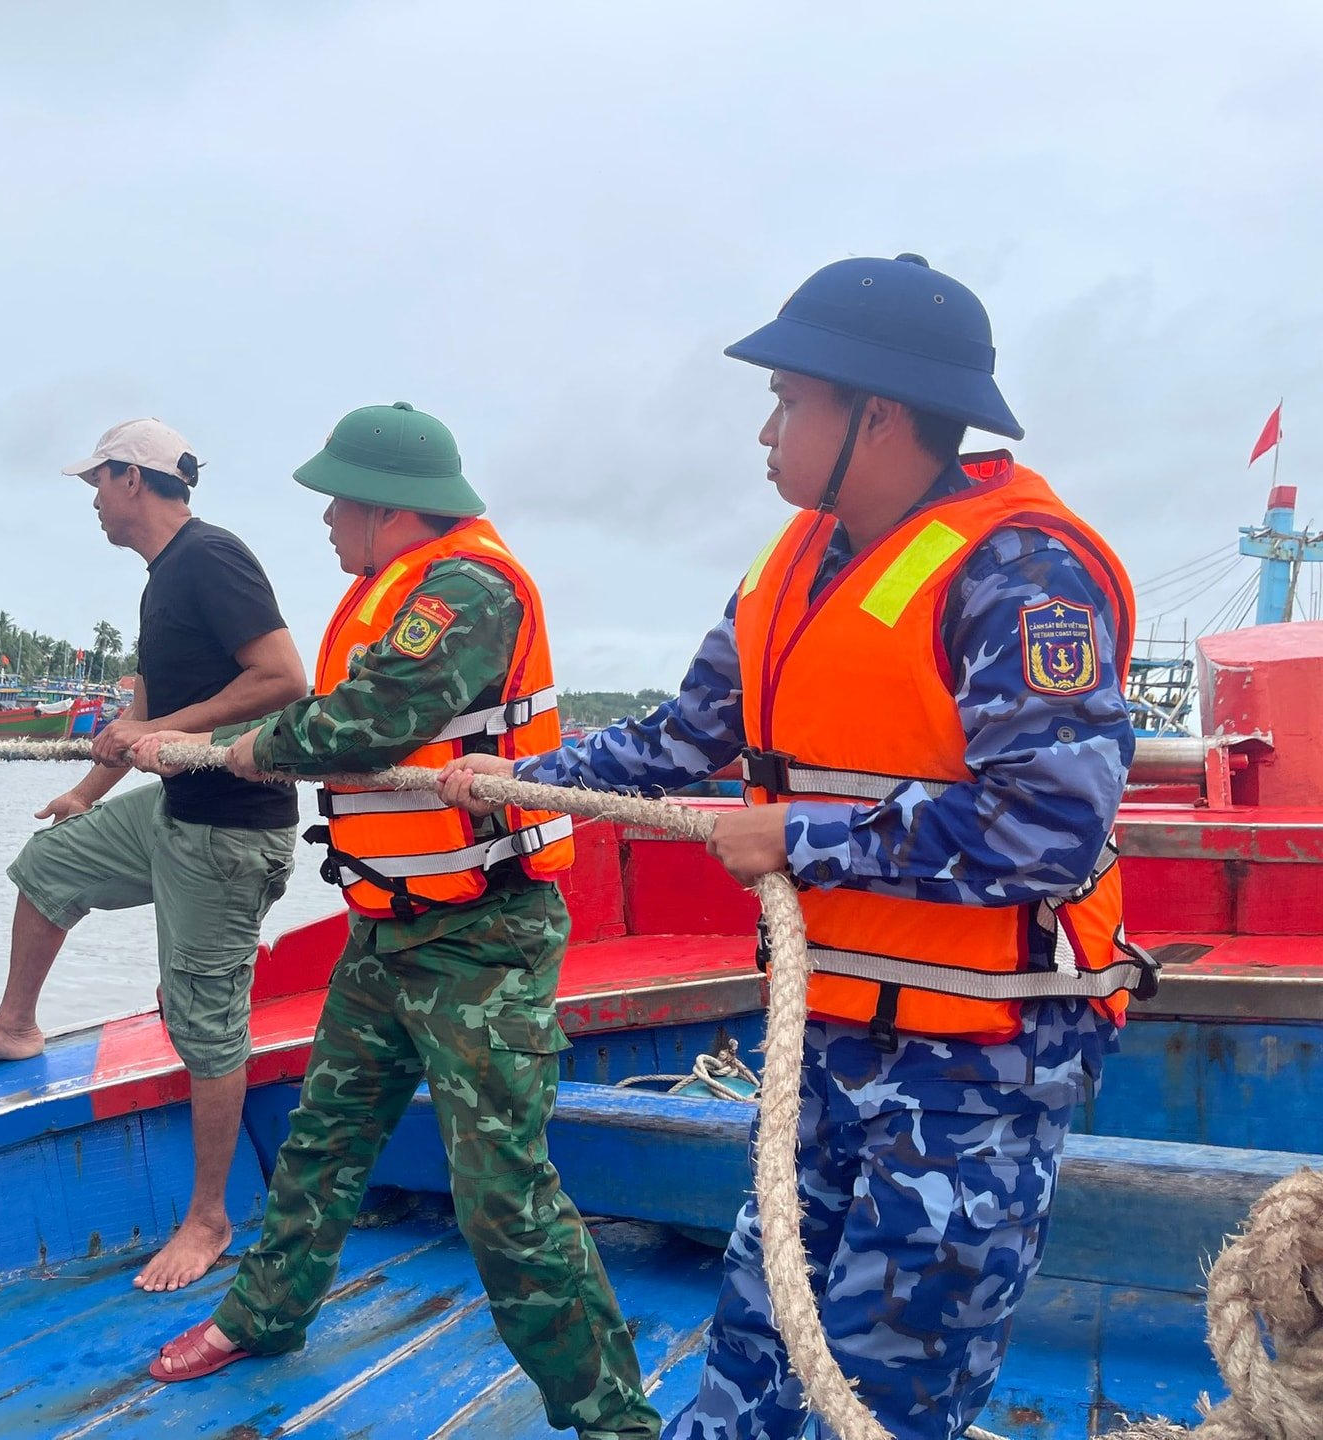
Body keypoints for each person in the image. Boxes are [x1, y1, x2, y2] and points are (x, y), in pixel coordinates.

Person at [441, 254, 1156, 1440]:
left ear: (876, 415)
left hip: (972, 1071)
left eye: (788, 401)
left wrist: (801, 840)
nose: (766, 430)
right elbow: (682, 739)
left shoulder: (1024, 576)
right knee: (757, 1346)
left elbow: (1049, 828)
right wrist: (515, 783)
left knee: (890, 1389)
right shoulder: (791, 568)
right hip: (825, 1035)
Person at [132, 402, 662, 1440]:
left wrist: (255, 742)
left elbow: (375, 718)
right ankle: (268, 1313)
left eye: (338, 502)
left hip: (481, 941)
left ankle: (613, 1419)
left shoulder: (465, 588)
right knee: (324, 1137)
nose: (328, 520)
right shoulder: (394, 590)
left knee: (503, 1197)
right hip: (389, 930)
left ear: (388, 509)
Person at [0, 418, 305, 1295]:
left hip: (231, 832)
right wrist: (87, 793)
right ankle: (17, 1026)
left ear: (132, 478)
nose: (93, 501)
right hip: (174, 808)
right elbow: (144, 706)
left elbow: (286, 678)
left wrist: (160, 731)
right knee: (47, 866)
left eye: (96, 483)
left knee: (202, 1023)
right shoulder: (159, 579)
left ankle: (209, 1218)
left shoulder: (212, 557)